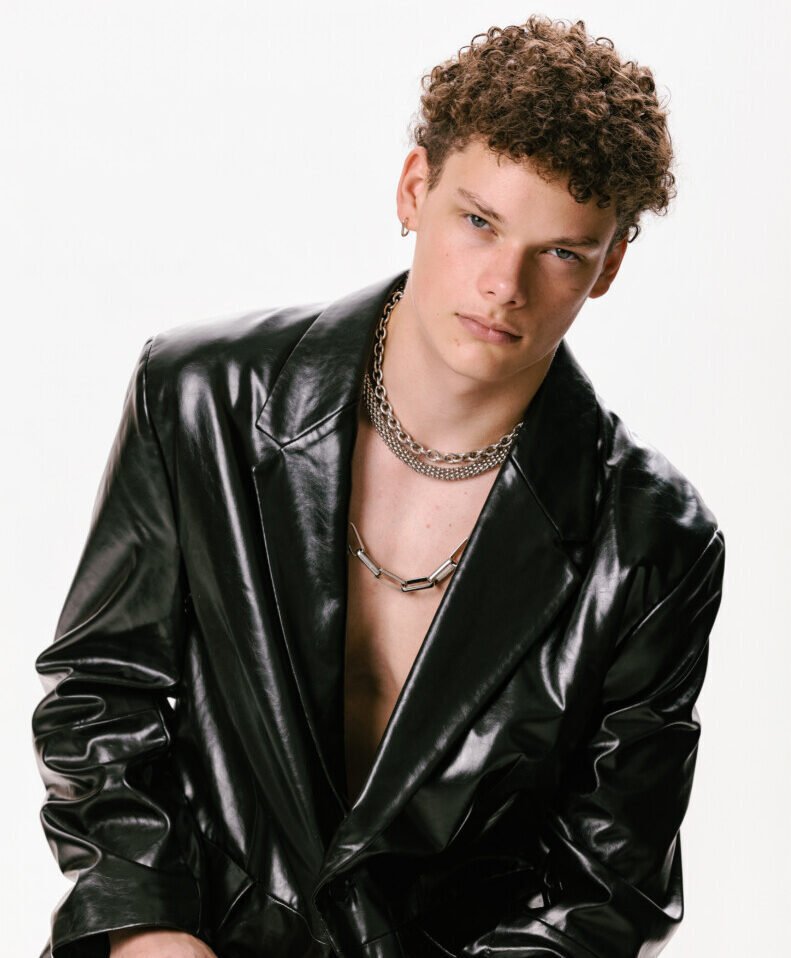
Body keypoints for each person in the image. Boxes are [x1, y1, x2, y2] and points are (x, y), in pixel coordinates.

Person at [31, 15, 726, 958]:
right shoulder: (198, 397)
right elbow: (104, 693)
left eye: (560, 250)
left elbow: (609, 882)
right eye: (478, 222)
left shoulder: (652, 542)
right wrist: (147, 927)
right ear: (413, 190)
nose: (504, 285)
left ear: (608, 266)